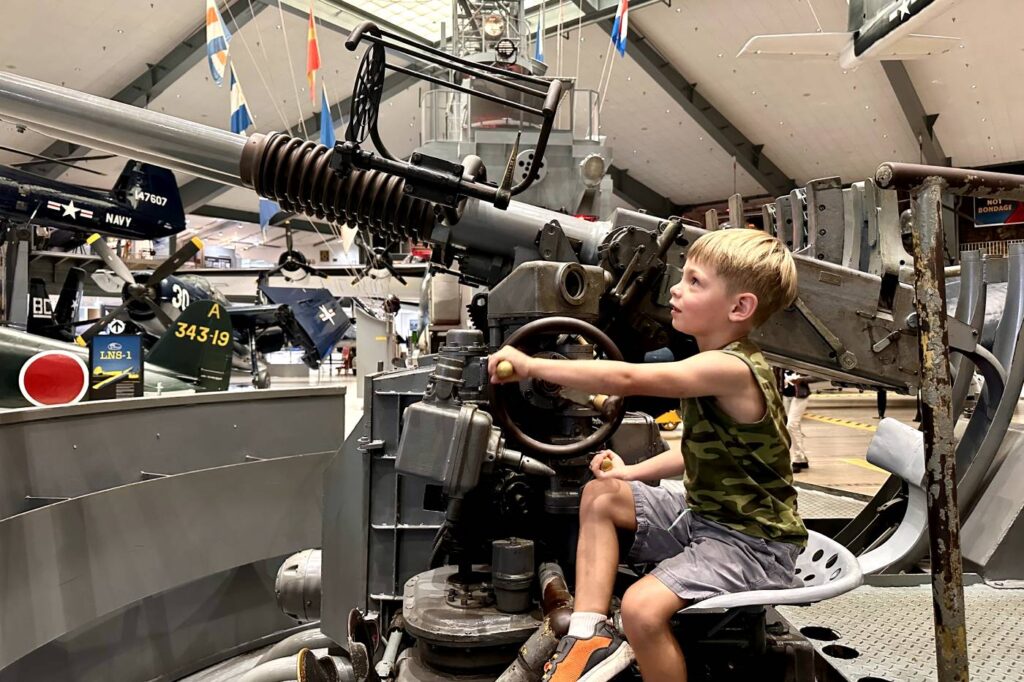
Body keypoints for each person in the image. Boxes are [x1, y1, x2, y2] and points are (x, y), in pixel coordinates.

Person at [488, 229, 807, 682]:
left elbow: (626, 377)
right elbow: (693, 456)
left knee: (640, 608)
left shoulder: (728, 368)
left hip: (753, 545)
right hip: (707, 520)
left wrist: (532, 365)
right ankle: (588, 634)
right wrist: (629, 472)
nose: (676, 289)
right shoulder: (713, 366)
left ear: (739, 308)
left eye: (695, 282)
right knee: (602, 495)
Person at [782, 371, 811, 471]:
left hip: (800, 396)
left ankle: (797, 459)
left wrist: (800, 380)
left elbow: (816, 376)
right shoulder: (778, 361)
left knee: (792, 425)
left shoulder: (799, 360)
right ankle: (802, 459)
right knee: (792, 426)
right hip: (785, 395)